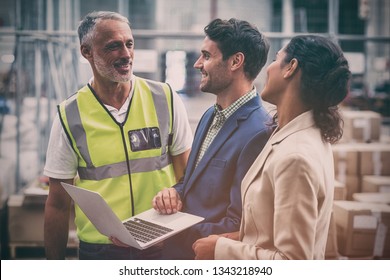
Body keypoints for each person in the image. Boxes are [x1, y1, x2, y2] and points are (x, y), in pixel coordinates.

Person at [43, 11, 192, 260]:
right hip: (100, 251)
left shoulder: (165, 98)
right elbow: (58, 204)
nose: (126, 54)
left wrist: (176, 195)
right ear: (87, 52)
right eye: (113, 46)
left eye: (129, 44)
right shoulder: (70, 115)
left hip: (162, 244)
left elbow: (187, 177)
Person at [192, 35, 351, 260]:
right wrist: (237, 239)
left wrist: (220, 249)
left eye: (276, 59)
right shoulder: (292, 135)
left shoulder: (296, 157)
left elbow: (293, 261)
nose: (268, 69)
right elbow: (271, 232)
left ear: (291, 68)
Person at [151, 18, 272, 259]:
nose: (197, 64)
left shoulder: (259, 132)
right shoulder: (210, 115)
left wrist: (168, 231)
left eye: (206, 56)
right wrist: (174, 193)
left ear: (236, 61)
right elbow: (193, 182)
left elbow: (240, 224)